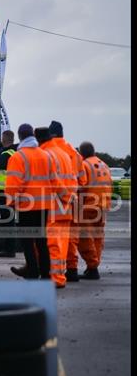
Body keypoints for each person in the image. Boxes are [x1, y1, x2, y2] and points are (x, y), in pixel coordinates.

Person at [5, 123, 61, 280]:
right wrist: (64, 198)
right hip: (44, 205)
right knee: (42, 241)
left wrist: (11, 202)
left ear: (20, 137)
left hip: (26, 206)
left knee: (28, 242)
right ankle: (46, 273)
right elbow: (55, 181)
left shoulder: (18, 157)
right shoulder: (47, 155)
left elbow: (14, 184)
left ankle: (32, 270)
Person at [48, 120, 87, 282]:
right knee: (71, 236)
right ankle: (72, 268)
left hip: (54, 201)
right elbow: (83, 181)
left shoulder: (49, 151)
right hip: (74, 200)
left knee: (54, 238)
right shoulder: (74, 153)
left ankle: (55, 271)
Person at [36, 127, 75, 289]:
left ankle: (57, 278)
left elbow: (52, 181)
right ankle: (59, 275)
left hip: (53, 206)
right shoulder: (64, 154)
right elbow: (73, 180)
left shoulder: (47, 155)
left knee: (53, 245)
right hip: (65, 207)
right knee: (62, 244)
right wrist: (69, 199)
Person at [76, 141, 111, 280]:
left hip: (89, 206)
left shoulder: (84, 165)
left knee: (84, 237)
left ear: (81, 153)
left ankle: (92, 266)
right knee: (97, 237)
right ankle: (93, 266)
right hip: (103, 205)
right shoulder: (104, 165)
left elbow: (82, 187)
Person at [0, 130, 18, 257]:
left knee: (7, 221)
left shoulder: (6, 154)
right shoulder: (15, 153)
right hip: (12, 191)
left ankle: (9, 249)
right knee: (10, 220)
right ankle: (9, 248)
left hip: (4, 191)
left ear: (4, 139)